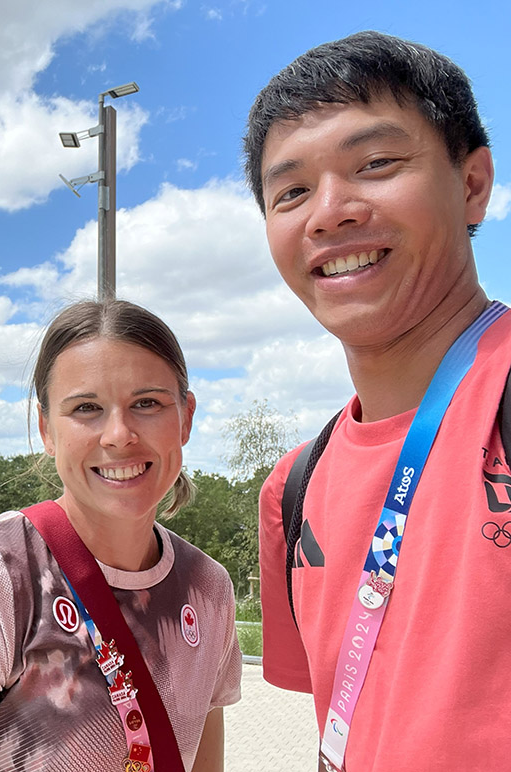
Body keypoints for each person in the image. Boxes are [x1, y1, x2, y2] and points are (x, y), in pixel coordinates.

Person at [245, 31, 507, 770]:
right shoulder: (294, 488)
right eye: (291, 191)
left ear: (473, 183)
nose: (328, 213)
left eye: (376, 164)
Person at [0, 299, 241, 772]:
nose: (118, 434)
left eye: (146, 403)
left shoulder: (208, 589)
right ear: (47, 429)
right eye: (86, 408)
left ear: (186, 417)